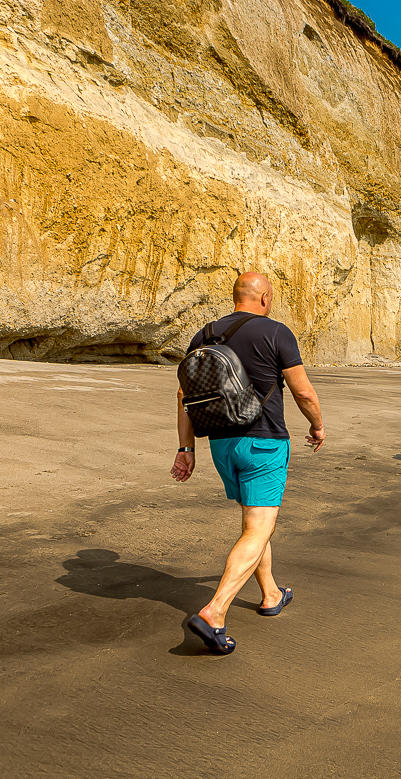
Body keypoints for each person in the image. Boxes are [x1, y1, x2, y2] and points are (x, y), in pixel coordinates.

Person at [171, 272, 325, 654]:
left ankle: (270, 593)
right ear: (265, 299)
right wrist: (318, 426)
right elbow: (303, 391)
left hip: (221, 444)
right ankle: (214, 612)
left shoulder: (204, 336)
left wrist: (185, 448)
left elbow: (183, 396)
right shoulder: (276, 332)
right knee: (258, 528)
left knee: (253, 522)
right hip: (263, 443)